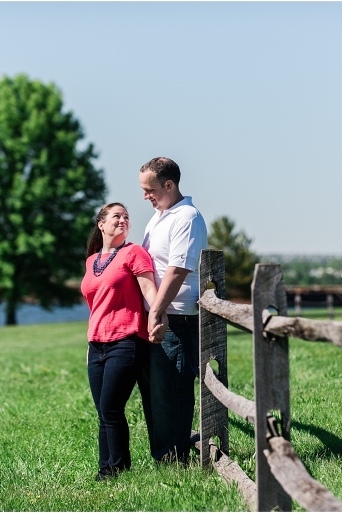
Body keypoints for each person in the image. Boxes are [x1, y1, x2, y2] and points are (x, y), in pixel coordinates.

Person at [80, 202, 166, 481]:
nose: (123, 220)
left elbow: (149, 291)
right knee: (102, 412)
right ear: (101, 224)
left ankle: (113, 470)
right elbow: (96, 306)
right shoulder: (92, 261)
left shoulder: (134, 253)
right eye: (116, 216)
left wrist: (159, 317)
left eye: (126, 217)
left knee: (111, 408)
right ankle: (108, 467)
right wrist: (90, 344)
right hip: (97, 344)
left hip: (127, 340)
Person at [137, 157, 208, 464]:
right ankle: (164, 455)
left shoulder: (187, 217)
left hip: (175, 317)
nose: (145, 196)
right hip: (159, 312)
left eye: (150, 189)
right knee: (155, 390)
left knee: (172, 388)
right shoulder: (159, 217)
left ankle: (176, 458)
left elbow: (177, 271)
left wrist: (157, 311)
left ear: (169, 185)